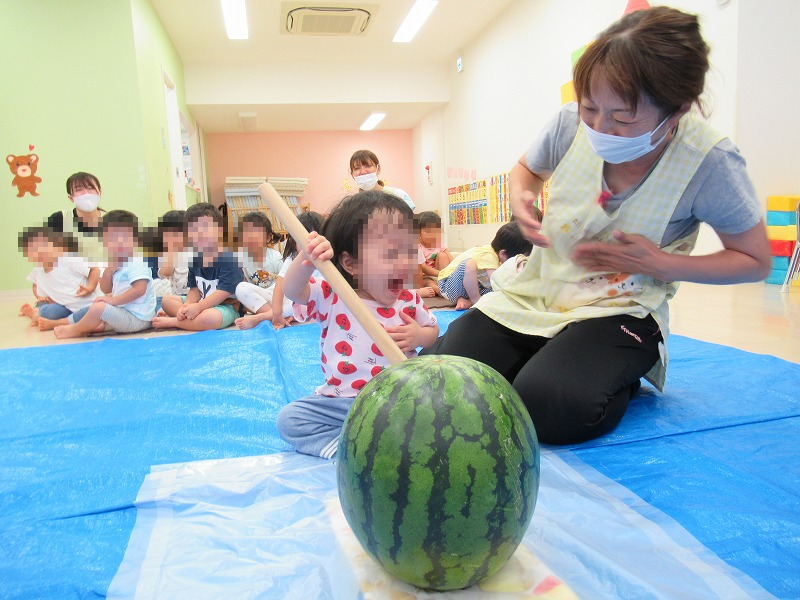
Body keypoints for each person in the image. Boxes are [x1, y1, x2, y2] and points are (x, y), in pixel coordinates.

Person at [422, 7, 771, 445]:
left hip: (619, 309)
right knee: (444, 382)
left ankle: (612, 374)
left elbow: (755, 260)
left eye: (622, 118)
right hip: (537, 294)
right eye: (590, 108)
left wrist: (659, 262)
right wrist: (522, 200)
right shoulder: (569, 124)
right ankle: (552, 363)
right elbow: (526, 170)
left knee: (550, 408)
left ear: (677, 111)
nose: (600, 128)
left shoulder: (709, 162)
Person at [277, 191, 439, 459]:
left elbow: (433, 330)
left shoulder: (408, 299)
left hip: (398, 400)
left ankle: (376, 439)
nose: (404, 263)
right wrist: (308, 258)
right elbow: (293, 290)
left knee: (437, 408)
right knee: (290, 419)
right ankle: (344, 450)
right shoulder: (334, 294)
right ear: (351, 264)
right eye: (390, 253)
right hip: (344, 405)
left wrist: (419, 336)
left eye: (409, 251)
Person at [52, 211, 156, 339]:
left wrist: (113, 301)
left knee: (99, 308)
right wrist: (108, 272)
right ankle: (94, 325)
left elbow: (139, 290)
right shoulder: (118, 262)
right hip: (125, 312)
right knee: (97, 304)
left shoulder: (136, 261)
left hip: (138, 319)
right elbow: (106, 289)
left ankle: (75, 330)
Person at [153, 203, 242, 331]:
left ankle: (175, 322)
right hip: (201, 302)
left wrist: (199, 307)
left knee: (209, 318)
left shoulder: (229, 258)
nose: (200, 234)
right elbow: (195, 290)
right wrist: (187, 306)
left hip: (225, 306)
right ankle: (189, 319)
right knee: (167, 301)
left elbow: (224, 292)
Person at [437, 220, 533, 310]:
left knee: (493, 292)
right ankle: (476, 301)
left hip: (466, 288)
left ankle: (467, 300)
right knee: (469, 264)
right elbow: (497, 282)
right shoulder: (488, 254)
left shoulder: (498, 256)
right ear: (503, 254)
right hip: (448, 285)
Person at [18, 227, 101, 330]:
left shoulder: (69, 260)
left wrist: (90, 288)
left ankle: (57, 322)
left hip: (90, 304)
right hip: (68, 308)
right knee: (50, 311)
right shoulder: (40, 275)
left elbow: (95, 269)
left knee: (94, 313)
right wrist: (48, 301)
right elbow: (50, 297)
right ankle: (37, 314)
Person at [272, 211, 325, 329]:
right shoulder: (293, 258)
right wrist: (276, 313)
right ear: (293, 241)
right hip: (291, 299)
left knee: (295, 306)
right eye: (302, 240)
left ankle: (262, 316)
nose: (309, 245)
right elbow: (280, 285)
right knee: (242, 288)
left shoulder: (327, 260)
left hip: (311, 303)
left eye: (315, 239)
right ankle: (275, 314)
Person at [233, 212, 284, 330]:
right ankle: (273, 315)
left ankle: (265, 316)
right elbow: (245, 286)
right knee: (240, 287)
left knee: (290, 292)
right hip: (259, 302)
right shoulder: (240, 259)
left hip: (278, 298)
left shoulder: (275, 257)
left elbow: (285, 283)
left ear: (268, 237)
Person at [46, 172, 107, 261]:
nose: (86, 194)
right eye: (79, 189)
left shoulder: (112, 221)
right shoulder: (59, 219)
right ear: (71, 198)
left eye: (90, 188)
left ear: (100, 192)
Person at [150, 210, 191, 310]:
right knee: (163, 304)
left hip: (195, 295)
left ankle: (181, 315)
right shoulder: (168, 255)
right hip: (177, 297)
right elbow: (165, 273)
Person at [349, 149, 416, 210]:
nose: (363, 172)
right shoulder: (351, 204)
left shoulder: (398, 195)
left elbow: (410, 218)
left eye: (368, 166)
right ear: (352, 174)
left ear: (378, 169)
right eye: (357, 168)